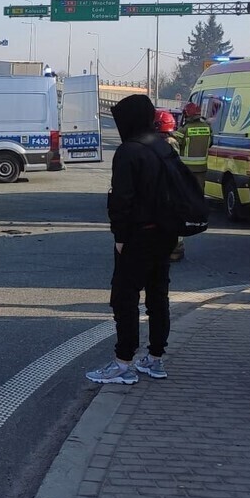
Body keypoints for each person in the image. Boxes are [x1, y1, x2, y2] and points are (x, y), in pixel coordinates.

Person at [87, 94, 177, 386]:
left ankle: (123, 362)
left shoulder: (129, 152)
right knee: (157, 296)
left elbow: (121, 200)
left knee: (124, 298)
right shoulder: (163, 147)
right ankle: (155, 359)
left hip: (138, 235)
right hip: (165, 232)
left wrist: (120, 236)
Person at [154, 110, 186, 263]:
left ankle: (174, 250)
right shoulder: (170, 140)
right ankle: (173, 249)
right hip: (173, 185)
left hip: (168, 187)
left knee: (169, 219)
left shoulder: (167, 143)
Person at [174, 101, 212, 192]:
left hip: (186, 169)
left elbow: (175, 144)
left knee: (186, 194)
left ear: (187, 114)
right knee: (199, 193)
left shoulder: (184, 129)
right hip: (201, 168)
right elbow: (210, 143)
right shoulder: (208, 127)